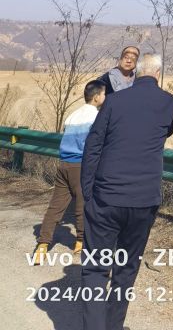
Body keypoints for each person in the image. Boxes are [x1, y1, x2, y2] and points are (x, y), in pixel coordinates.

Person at [80, 53, 173, 330]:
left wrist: (88, 191)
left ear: (138, 73)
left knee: (97, 269)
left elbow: (93, 145)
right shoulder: (169, 103)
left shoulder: (114, 101)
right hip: (144, 201)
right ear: (158, 74)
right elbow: (165, 131)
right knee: (126, 268)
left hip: (106, 197)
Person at [32, 80, 107, 265]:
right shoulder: (96, 117)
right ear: (97, 97)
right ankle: (80, 243)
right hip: (80, 166)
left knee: (56, 206)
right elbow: (94, 145)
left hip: (64, 164)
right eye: (104, 94)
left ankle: (42, 245)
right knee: (82, 205)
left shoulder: (72, 116)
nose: (105, 97)